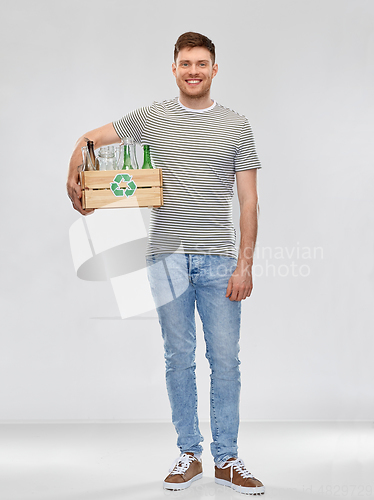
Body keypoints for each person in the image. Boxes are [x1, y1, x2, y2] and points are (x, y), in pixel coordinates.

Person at [67, 32, 265, 496]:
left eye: (202, 63)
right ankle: (189, 454)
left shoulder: (236, 125)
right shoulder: (153, 118)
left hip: (219, 259)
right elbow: (89, 140)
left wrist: (246, 265)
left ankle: (229, 458)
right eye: (185, 64)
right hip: (165, 256)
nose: (193, 71)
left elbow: (249, 201)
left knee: (225, 361)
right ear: (174, 69)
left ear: (215, 69)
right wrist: (71, 177)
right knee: (179, 359)